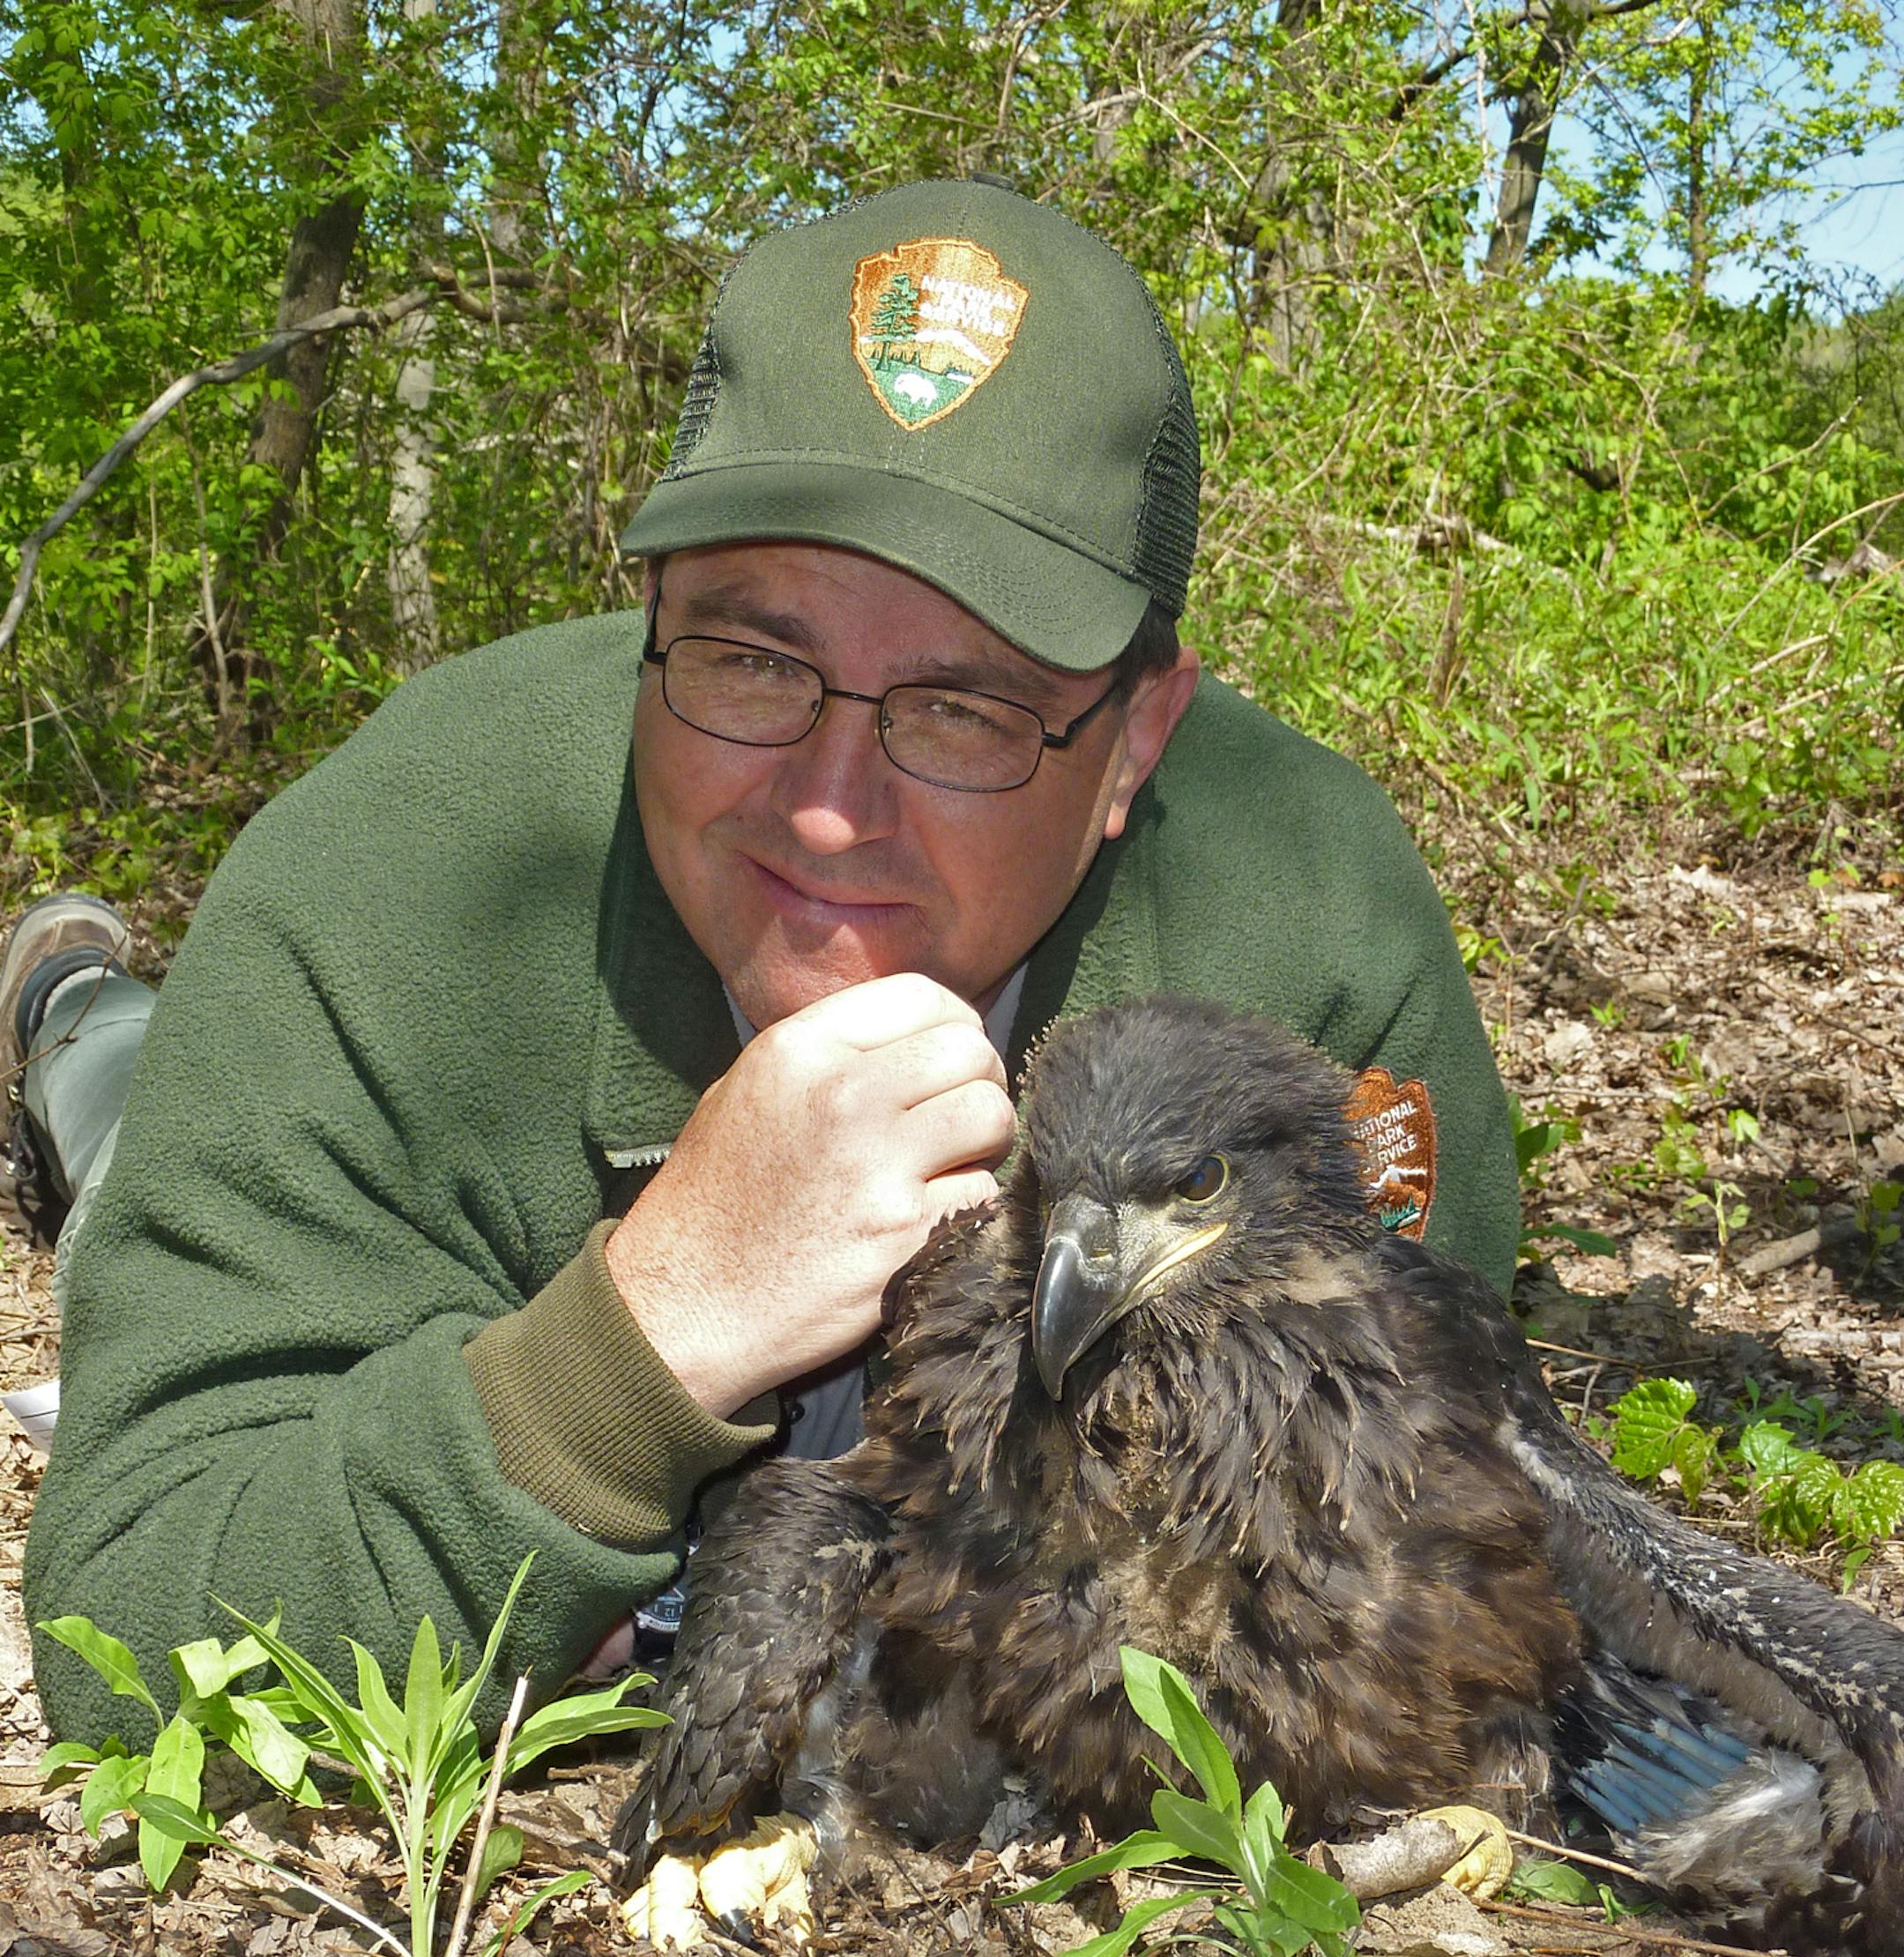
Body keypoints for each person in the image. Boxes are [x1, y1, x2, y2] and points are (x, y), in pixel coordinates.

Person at [14, 178, 1518, 1747]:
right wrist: (650, 1338)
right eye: (749, 658)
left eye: (964, 709)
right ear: (648, 611)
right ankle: (70, 1001)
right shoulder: (396, 874)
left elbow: (1409, 1553)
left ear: (1134, 739)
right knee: (118, 1119)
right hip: (314, 1192)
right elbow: (131, 1627)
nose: (823, 804)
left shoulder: (1314, 947)